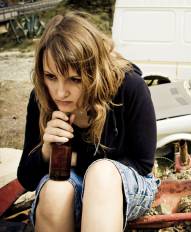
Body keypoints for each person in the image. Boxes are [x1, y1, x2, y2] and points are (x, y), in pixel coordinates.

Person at [17, 11, 159, 232]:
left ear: (94, 72)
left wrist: (81, 166)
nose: (60, 92)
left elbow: (143, 164)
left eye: (74, 79)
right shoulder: (41, 98)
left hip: (124, 183)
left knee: (101, 175)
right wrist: (46, 151)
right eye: (51, 77)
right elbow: (26, 178)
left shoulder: (129, 87)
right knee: (56, 192)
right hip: (72, 185)